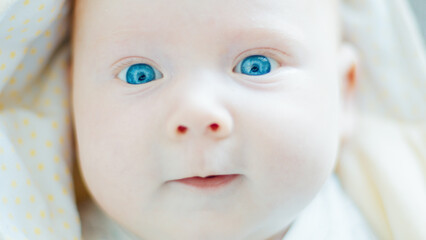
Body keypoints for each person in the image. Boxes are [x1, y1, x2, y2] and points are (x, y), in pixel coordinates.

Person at [0, 0, 425, 239]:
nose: (198, 112)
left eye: (256, 65)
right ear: (74, 105)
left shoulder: (392, 216)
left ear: (345, 93)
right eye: (140, 74)